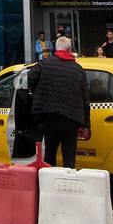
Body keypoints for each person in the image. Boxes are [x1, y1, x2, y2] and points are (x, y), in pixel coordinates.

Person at [27, 37, 91, 170]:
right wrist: (86, 124)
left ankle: (49, 184)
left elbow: (30, 79)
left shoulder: (44, 64)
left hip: (49, 116)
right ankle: (67, 183)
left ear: (56, 49)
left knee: (50, 153)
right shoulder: (78, 69)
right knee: (69, 156)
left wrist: (39, 92)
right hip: (71, 118)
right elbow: (85, 98)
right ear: (69, 50)